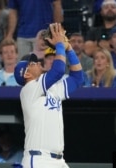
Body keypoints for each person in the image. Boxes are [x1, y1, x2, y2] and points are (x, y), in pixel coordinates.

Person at [14, 23, 83, 168]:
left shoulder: (52, 90)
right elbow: (58, 71)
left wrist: (68, 48)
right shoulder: (28, 90)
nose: (37, 62)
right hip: (38, 159)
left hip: (59, 160)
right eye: (32, 63)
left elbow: (77, 78)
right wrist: (59, 44)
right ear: (26, 74)